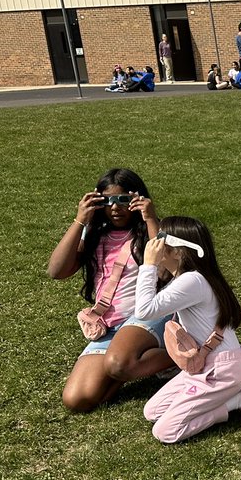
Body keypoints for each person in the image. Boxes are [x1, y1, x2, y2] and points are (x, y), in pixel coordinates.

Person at [47, 168, 174, 412]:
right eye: (107, 201)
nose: (115, 207)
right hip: (109, 325)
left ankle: (184, 353)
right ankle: (132, 360)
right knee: (77, 400)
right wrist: (80, 220)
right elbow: (57, 271)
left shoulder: (147, 232)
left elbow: (166, 270)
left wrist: (150, 218)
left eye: (123, 200)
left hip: (146, 316)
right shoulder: (95, 235)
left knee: (118, 364)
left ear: (137, 200)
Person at [135, 217, 241, 444]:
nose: (154, 244)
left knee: (165, 432)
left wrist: (149, 265)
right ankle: (234, 391)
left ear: (178, 251)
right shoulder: (193, 278)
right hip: (206, 364)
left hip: (221, 370)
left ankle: (238, 400)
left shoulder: (192, 281)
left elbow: (144, 310)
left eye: (160, 239)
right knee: (151, 412)